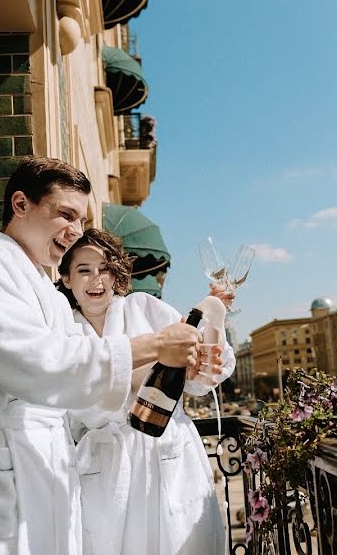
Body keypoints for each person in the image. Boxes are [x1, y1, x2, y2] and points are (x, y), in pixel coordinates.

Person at [0, 157, 203, 555]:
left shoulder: (46, 291)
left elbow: (90, 374)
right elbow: (46, 364)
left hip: (50, 468)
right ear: (20, 204)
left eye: (81, 220)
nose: (75, 232)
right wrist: (154, 347)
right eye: (65, 214)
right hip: (1, 467)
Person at [57, 228, 236, 555]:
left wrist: (211, 326)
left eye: (105, 269)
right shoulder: (63, 331)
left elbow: (201, 381)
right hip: (102, 468)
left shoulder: (145, 309)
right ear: (67, 278)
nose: (96, 279)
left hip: (165, 455)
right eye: (84, 270)